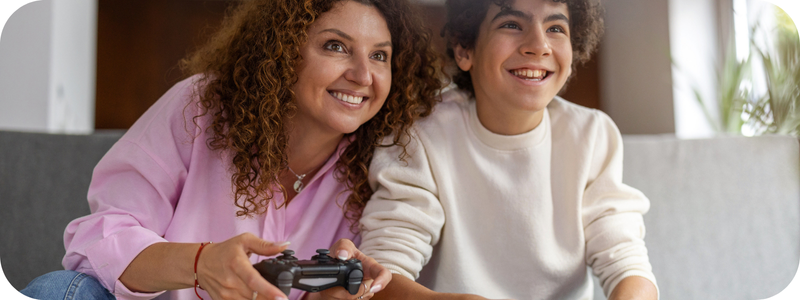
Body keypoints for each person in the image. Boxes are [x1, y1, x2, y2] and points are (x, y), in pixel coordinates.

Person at [19, 0, 442, 299]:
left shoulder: (383, 161)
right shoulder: (200, 107)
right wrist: (202, 264)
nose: (363, 74)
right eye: (336, 46)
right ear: (284, 49)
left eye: (380, 56)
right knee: (60, 291)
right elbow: (98, 241)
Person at [342, 0, 660, 299]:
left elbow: (625, 261)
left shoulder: (592, 135)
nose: (538, 45)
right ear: (465, 48)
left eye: (555, 28)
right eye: (511, 24)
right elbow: (382, 275)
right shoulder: (420, 137)